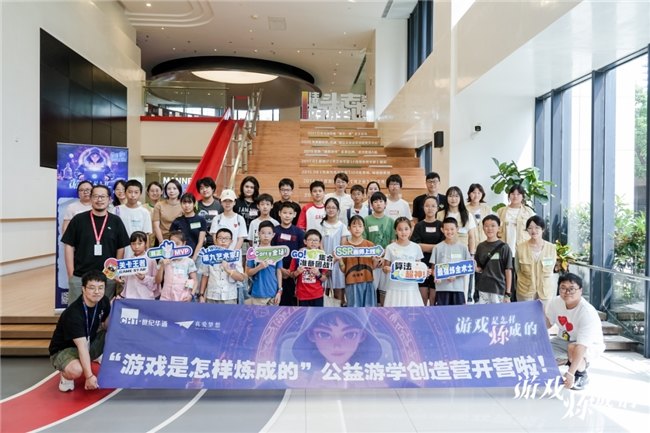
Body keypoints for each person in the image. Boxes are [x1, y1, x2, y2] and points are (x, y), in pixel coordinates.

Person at [62, 184, 130, 302]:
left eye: (103, 196)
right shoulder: (78, 219)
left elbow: (120, 248)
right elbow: (69, 245)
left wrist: (114, 273)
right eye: (96, 196)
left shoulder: (116, 221)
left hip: (107, 277)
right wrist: (71, 274)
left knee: (104, 311)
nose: (99, 200)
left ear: (109, 199)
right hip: (80, 276)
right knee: (77, 311)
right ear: (91, 198)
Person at [49, 270, 110, 392]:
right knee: (76, 370)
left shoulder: (103, 301)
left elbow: (106, 325)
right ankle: (66, 375)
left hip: (89, 341)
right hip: (66, 349)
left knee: (114, 333)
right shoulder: (74, 314)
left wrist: (115, 309)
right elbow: (82, 346)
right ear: (83, 289)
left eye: (100, 288)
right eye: (92, 288)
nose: (97, 292)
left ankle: (93, 356)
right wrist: (89, 376)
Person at [545, 273, 605, 390]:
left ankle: (581, 373)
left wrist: (570, 373)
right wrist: (538, 314)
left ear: (580, 290)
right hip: (563, 340)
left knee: (573, 348)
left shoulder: (586, 312)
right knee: (541, 353)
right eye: (563, 288)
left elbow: (581, 346)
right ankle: (569, 361)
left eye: (572, 289)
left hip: (588, 345)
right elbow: (548, 324)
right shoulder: (555, 302)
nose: (567, 292)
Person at [382, 217, 425, 307]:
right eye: (400, 229)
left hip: (411, 288)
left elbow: (419, 267)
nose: (403, 232)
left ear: (411, 230)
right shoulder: (390, 247)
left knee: (412, 313)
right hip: (394, 287)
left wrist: (425, 272)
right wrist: (388, 269)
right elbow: (385, 268)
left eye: (406, 229)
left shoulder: (416, 247)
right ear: (395, 231)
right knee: (394, 313)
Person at [515, 215, 557, 308]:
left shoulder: (551, 248)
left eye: (537, 227)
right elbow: (517, 269)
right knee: (525, 315)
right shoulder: (520, 248)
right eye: (530, 228)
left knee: (545, 315)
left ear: (543, 229)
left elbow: (551, 269)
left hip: (545, 291)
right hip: (526, 290)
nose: (533, 231)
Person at [430, 217, 472, 306]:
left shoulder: (463, 247)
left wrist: (455, 276)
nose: (449, 232)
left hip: (458, 289)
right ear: (442, 230)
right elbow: (433, 269)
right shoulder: (437, 247)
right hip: (442, 289)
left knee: (458, 313)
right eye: (446, 229)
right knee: (442, 313)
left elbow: (468, 267)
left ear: (457, 229)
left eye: (452, 229)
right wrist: (436, 276)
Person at [410, 196, 444, 306]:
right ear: (423, 208)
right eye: (427, 206)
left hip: (437, 263)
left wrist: (424, 246)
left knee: (434, 297)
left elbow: (443, 246)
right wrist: (435, 247)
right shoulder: (419, 225)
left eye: (433, 206)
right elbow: (415, 245)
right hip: (421, 262)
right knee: (423, 296)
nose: (430, 208)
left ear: (437, 208)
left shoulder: (441, 225)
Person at [198, 228, 246, 304]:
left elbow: (241, 278)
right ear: (216, 240)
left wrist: (229, 270)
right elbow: (205, 276)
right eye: (220, 238)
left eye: (226, 238)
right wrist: (201, 294)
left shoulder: (235, 257)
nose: (223, 241)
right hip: (212, 296)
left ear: (231, 241)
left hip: (229, 297)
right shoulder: (209, 256)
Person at [363, 191, 395, 306]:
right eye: (375, 201)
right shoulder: (366, 220)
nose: (378, 204)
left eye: (381, 201)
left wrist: (384, 258)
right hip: (371, 261)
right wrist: (373, 258)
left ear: (385, 204)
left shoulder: (391, 221)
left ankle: (384, 313)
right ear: (371, 205)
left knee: (384, 291)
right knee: (371, 290)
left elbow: (392, 243)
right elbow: (364, 242)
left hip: (386, 261)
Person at [338, 215, 377, 307]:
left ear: (364, 228)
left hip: (368, 281)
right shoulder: (344, 247)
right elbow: (344, 269)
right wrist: (339, 259)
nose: (357, 229)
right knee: (354, 309)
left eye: (360, 226)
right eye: (354, 226)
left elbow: (373, 267)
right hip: (351, 282)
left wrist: (376, 259)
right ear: (349, 228)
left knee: (369, 309)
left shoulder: (370, 245)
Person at [272, 201, 305, 306]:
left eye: (290, 213)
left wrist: (292, 271)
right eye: (284, 212)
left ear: (294, 214)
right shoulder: (274, 231)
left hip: (294, 272)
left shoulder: (299, 232)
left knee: (291, 301)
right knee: (277, 300)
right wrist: (281, 269)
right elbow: (271, 252)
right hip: (277, 270)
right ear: (279, 213)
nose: (287, 216)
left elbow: (302, 251)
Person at [474, 215, 513, 304]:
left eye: (493, 226)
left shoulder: (504, 247)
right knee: (484, 312)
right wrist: (474, 268)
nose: (489, 229)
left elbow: (508, 270)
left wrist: (508, 293)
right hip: (483, 288)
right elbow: (480, 268)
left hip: (498, 289)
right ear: (483, 228)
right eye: (486, 226)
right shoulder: (480, 246)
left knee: (498, 313)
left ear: (498, 228)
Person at [320, 197, 350, 306]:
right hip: (324, 262)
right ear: (325, 209)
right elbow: (319, 244)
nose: (331, 210)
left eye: (333, 207)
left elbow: (343, 246)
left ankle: (339, 311)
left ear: (338, 210)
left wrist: (335, 259)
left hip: (338, 262)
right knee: (324, 290)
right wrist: (327, 261)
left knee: (338, 291)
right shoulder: (321, 225)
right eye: (328, 207)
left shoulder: (342, 226)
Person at [245, 221, 283, 305]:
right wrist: (259, 267)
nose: (266, 236)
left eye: (269, 233)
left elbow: (279, 272)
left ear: (273, 235)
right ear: (258, 234)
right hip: (258, 293)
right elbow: (248, 272)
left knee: (273, 314)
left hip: (273, 293)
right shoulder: (253, 251)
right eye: (263, 233)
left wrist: (279, 291)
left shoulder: (277, 252)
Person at [156, 230, 198, 302]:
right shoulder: (163, 260)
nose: (175, 246)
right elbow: (157, 281)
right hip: (166, 298)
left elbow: (195, 280)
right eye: (172, 244)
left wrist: (191, 295)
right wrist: (162, 266)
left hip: (182, 298)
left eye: (177, 243)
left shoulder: (188, 261)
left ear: (184, 243)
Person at [290, 229, 328, 306]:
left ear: (320, 243)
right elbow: (291, 274)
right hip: (302, 294)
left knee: (317, 314)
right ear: (305, 241)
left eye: (316, 240)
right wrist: (297, 272)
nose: (313, 242)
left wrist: (318, 274)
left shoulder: (322, 257)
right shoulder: (298, 255)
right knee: (303, 314)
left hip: (317, 294)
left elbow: (325, 278)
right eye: (310, 240)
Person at [115, 179, 152, 256]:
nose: (133, 195)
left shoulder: (144, 212)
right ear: (125, 192)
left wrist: (146, 256)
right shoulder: (116, 210)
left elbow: (146, 236)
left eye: (136, 192)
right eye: (130, 192)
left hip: (138, 254)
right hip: (119, 252)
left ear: (140, 193)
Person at [497, 184, 535, 258]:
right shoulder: (500, 211)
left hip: (523, 247)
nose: (515, 196)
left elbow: (534, 230)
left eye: (518, 194)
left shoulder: (529, 212)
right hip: (503, 246)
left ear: (523, 196)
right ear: (509, 195)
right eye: (513, 194)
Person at [117, 231, 157, 300]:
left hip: (145, 296)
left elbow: (156, 280)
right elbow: (125, 280)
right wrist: (121, 281)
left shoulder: (151, 260)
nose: (136, 247)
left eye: (140, 243)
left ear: (145, 244)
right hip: (129, 296)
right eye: (133, 244)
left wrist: (144, 278)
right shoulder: (128, 260)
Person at [170, 193, 207, 263]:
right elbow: (173, 242)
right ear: (181, 204)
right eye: (184, 203)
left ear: (194, 204)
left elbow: (201, 241)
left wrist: (194, 258)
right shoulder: (177, 221)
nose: (187, 205)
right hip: (180, 257)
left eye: (189, 202)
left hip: (197, 256)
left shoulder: (201, 220)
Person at [152, 179, 183, 243]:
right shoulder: (159, 205)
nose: (171, 191)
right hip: (162, 239)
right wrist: (161, 242)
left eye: (174, 188)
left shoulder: (184, 205)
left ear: (179, 190)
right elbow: (156, 226)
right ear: (165, 191)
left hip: (180, 241)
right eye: (169, 189)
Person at [195, 177, 223, 247]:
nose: (204, 190)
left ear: (212, 189)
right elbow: (192, 223)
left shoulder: (220, 205)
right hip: (199, 241)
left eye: (207, 187)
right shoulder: (195, 205)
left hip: (216, 241)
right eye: (201, 188)